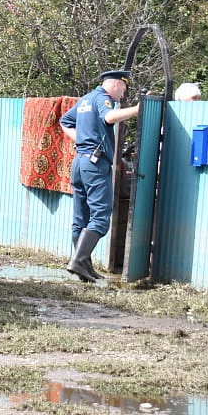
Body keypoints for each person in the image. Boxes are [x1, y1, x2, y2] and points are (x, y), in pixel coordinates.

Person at [58, 69, 141, 283]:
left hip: (80, 161)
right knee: (101, 215)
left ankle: (84, 265)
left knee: (80, 217)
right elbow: (110, 117)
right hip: (95, 164)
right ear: (115, 84)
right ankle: (78, 262)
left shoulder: (86, 99)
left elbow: (65, 121)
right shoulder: (103, 100)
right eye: (123, 88)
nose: (123, 93)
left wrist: (81, 139)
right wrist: (137, 109)